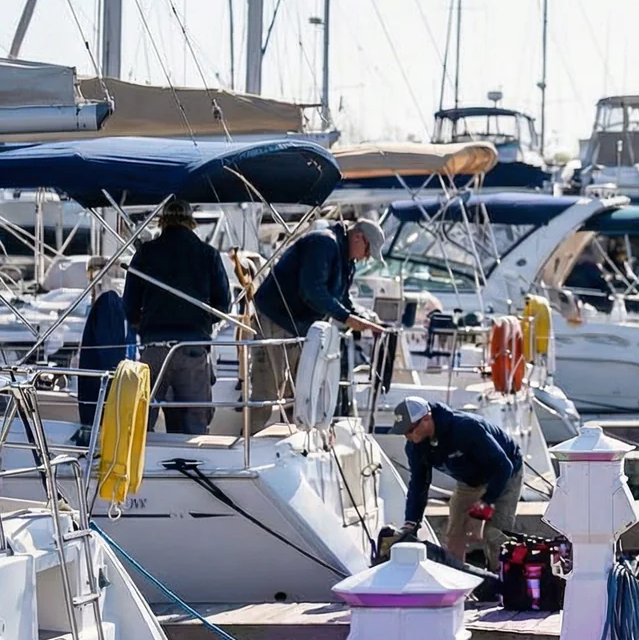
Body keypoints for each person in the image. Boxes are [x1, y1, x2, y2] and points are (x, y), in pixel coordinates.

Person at [248, 218, 385, 424]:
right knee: (267, 388)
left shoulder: (346, 259)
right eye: (367, 251)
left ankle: (289, 441)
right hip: (275, 319)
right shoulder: (324, 243)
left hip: (300, 327)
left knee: (299, 390)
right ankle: (250, 439)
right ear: (358, 237)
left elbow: (342, 298)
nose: (366, 257)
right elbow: (312, 291)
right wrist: (347, 318)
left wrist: (363, 319)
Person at [124, 198, 230, 434]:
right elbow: (223, 306)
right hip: (192, 346)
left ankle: (143, 466)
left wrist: (144, 323)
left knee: (143, 419)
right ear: (190, 222)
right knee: (195, 420)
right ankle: (194, 463)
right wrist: (200, 320)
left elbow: (129, 306)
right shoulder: (208, 254)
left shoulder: (145, 254)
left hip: (155, 347)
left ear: (163, 222)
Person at [392, 396, 524, 571]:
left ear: (426, 419)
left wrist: (486, 502)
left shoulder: (465, 428)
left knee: (494, 535)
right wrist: (412, 521)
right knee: (455, 533)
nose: (406, 436)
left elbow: (503, 466)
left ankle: (500, 581)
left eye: (409, 430)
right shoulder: (414, 447)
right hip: (469, 479)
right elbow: (419, 484)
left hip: (504, 473)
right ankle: (456, 576)